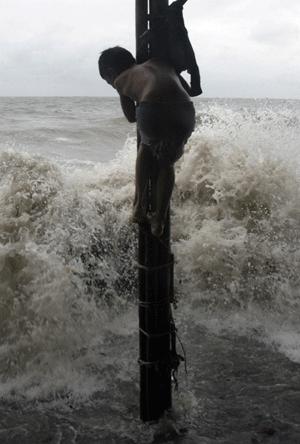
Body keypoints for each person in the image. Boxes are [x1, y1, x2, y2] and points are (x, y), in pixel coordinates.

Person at [98, 46, 198, 237]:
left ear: (110, 73)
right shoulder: (161, 63)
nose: (111, 83)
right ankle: (159, 219)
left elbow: (131, 117)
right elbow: (186, 89)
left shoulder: (121, 80)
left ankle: (139, 206)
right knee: (167, 163)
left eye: (107, 81)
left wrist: (131, 93)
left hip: (152, 108)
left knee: (146, 147)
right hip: (185, 110)